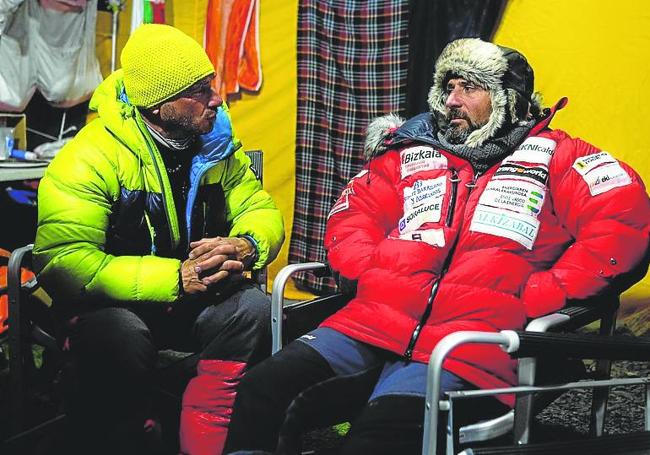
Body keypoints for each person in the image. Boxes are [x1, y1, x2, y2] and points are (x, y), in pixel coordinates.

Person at [221, 38, 650, 454]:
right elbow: (355, 210)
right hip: (370, 322)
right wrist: (369, 269)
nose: (453, 100)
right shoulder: (416, 152)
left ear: (510, 99)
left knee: (375, 442)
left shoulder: (557, 156)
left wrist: (548, 291)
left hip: (467, 346)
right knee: (261, 391)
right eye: (448, 87)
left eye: (470, 87)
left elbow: (624, 223)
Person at [33, 24, 284, 455]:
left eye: (212, 85)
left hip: (188, 301)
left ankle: (207, 427)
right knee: (119, 335)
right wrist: (173, 278)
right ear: (161, 103)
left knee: (252, 309)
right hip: (111, 308)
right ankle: (132, 434)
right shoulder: (89, 157)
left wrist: (245, 245)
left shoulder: (215, 145)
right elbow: (63, 262)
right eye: (201, 90)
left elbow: (260, 210)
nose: (217, 99)